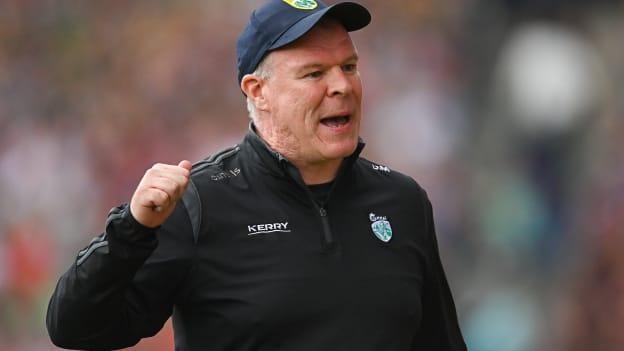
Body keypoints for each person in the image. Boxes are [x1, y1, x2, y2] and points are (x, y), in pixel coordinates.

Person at [46, 1, 467, 350]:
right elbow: (76, 328)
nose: (342, 86)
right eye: (315, 73)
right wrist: (132, 230)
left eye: (349, 67)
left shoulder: (402, 201)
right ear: (257, 91)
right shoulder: (199, 203)